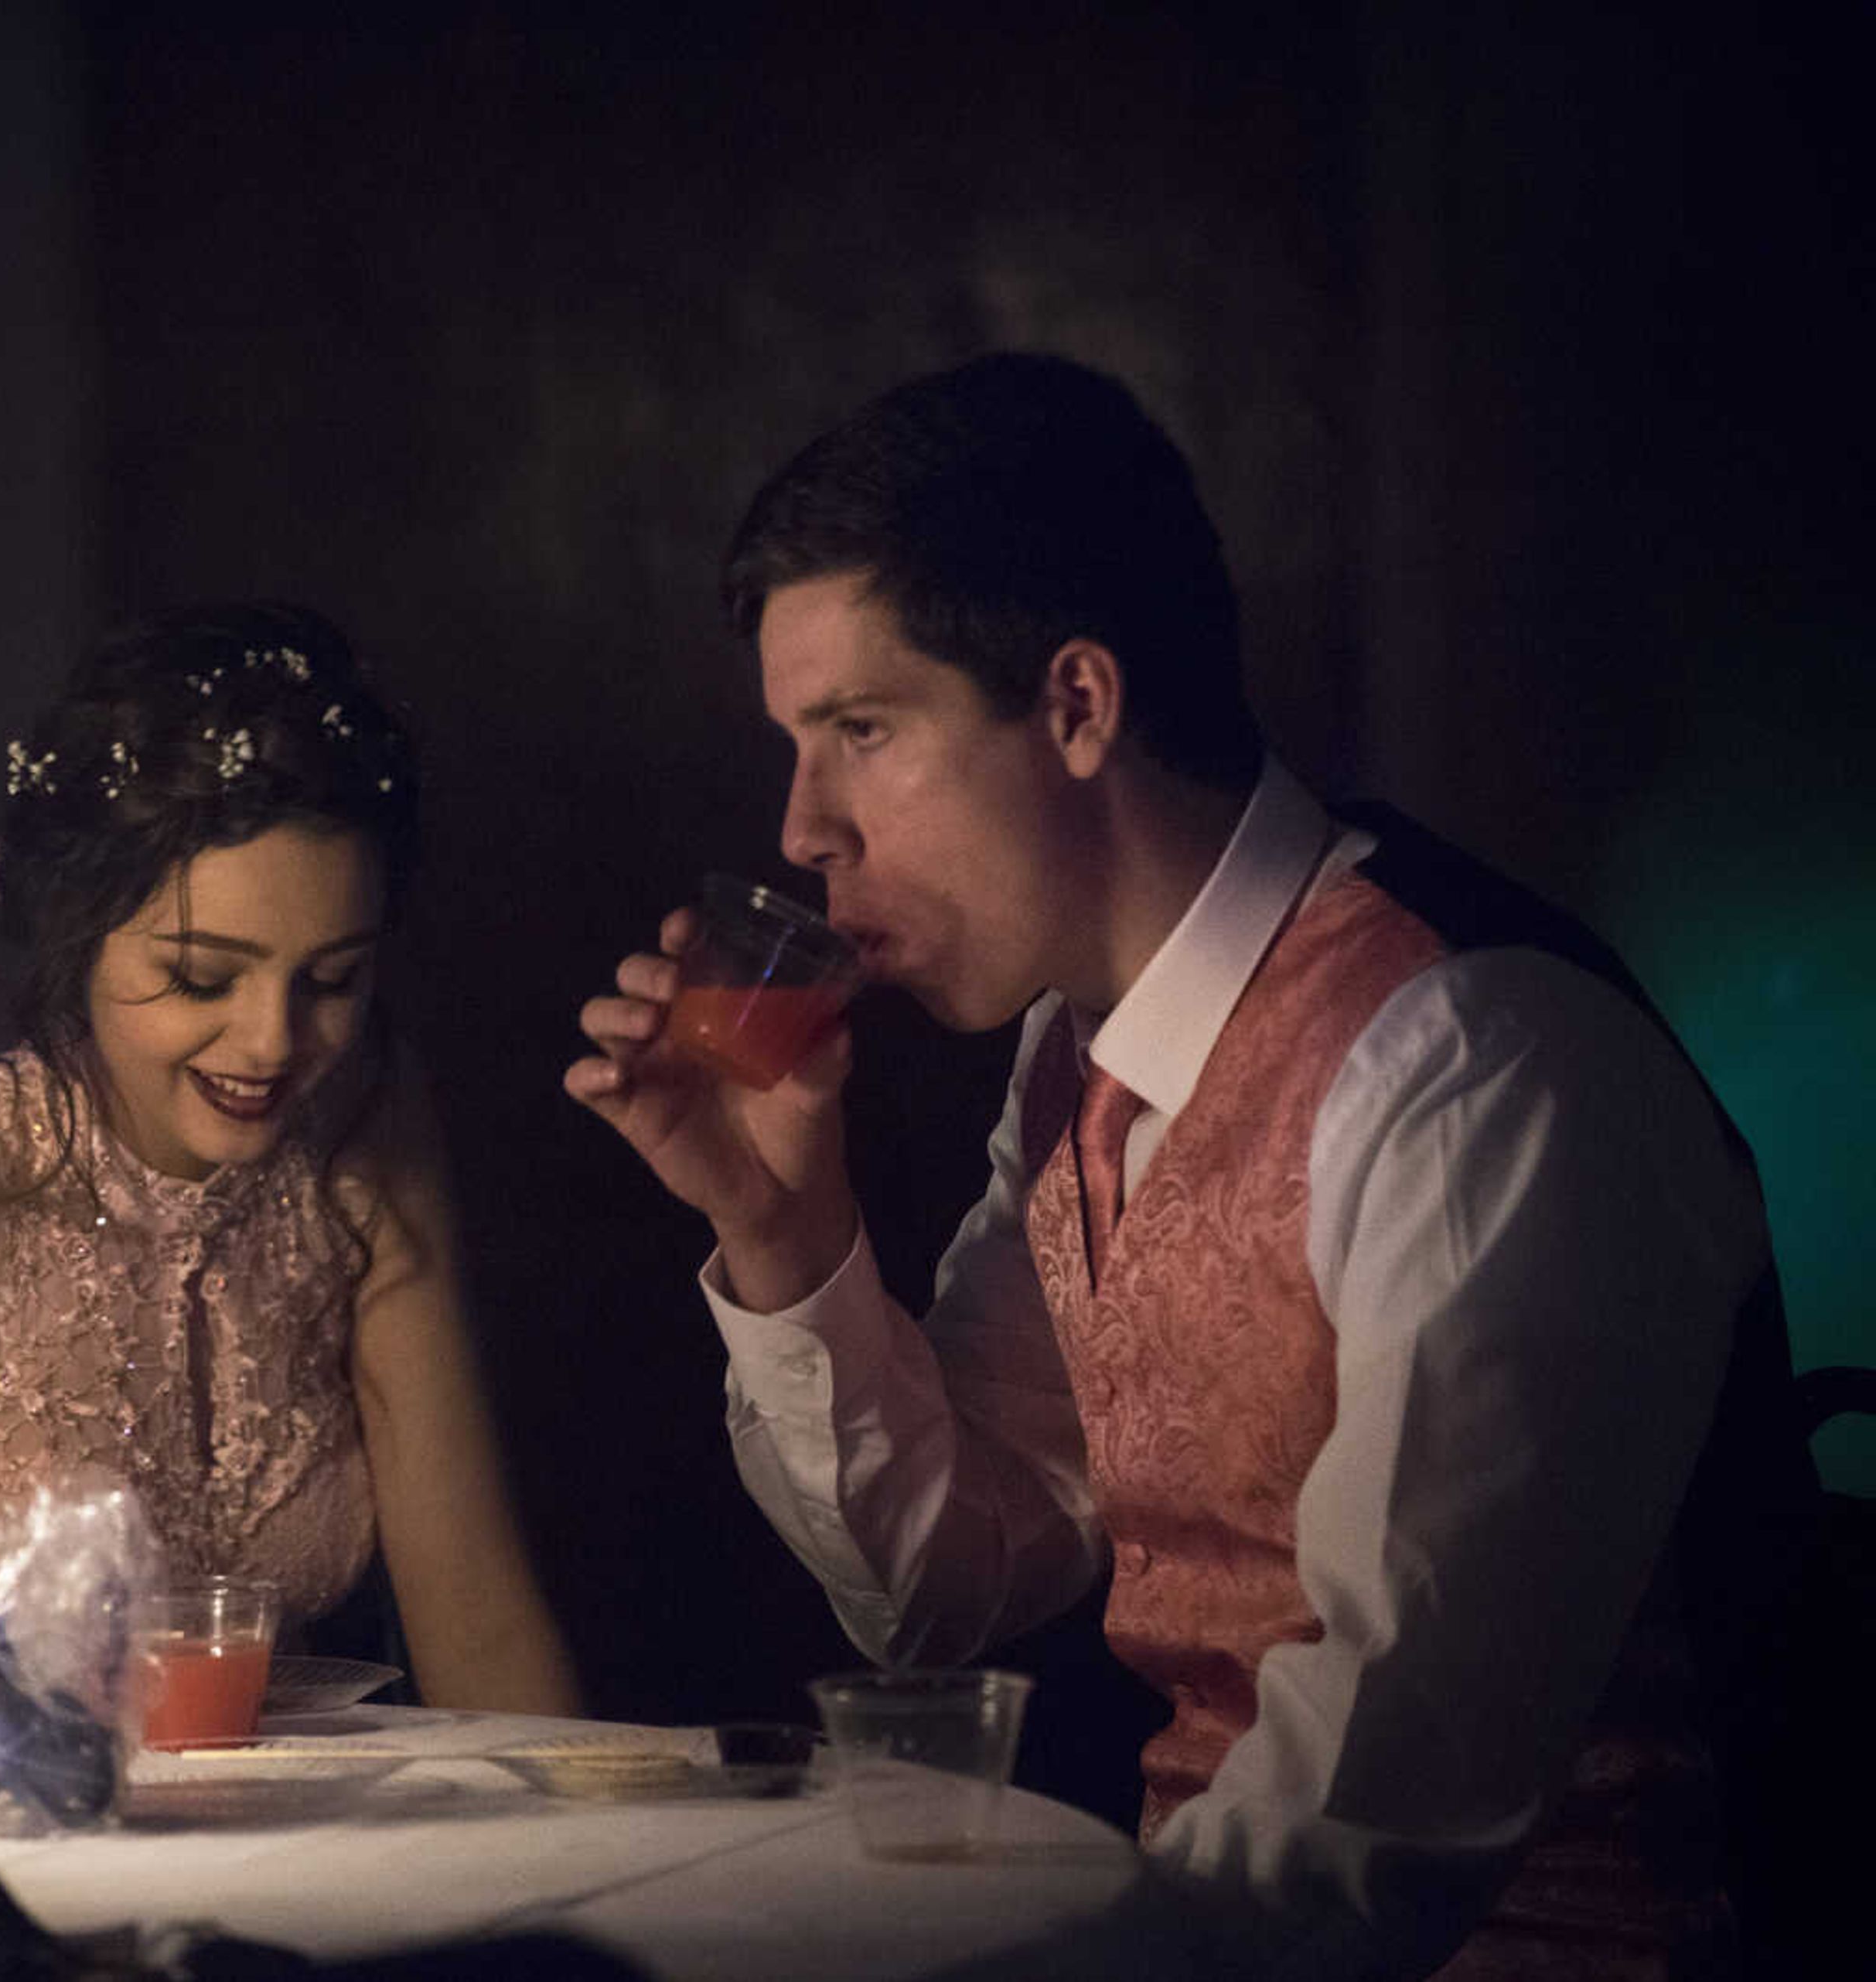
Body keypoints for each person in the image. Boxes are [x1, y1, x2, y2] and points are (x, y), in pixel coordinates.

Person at [565, 353, 1814, 1977]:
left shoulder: (1473, 1061)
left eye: (861, 731)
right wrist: (783, 1228)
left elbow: (1379, 1807)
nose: (804, 827)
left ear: (1077, 705)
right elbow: (951, 1587)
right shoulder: (1081, 1055)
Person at [0, 601, 580, 1718]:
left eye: (332, 981)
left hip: (299, 1854)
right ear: (76, 939)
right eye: (203, 978)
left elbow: (479, 1622)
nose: (274, 1042)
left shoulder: (365, 1128)